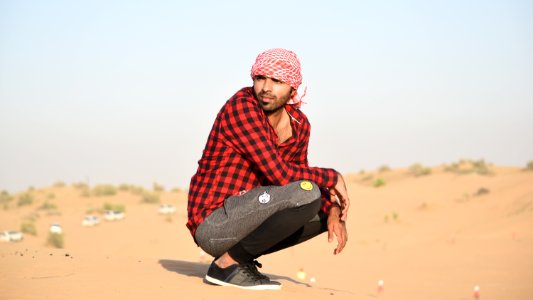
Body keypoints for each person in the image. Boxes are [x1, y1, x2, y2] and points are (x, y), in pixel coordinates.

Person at [186, 48, 350, 290]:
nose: (266, 88)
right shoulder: (242, 108)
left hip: (251, 214)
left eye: (277, 81)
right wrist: (332, 177)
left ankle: (238, 260)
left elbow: (297, 178)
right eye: (260, 78)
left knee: (317, 207)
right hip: (213, 223)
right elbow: (281, 175)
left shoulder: (300, 125)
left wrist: (333, 208)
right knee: (308, 192)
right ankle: (226, 265)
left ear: (293, 89)